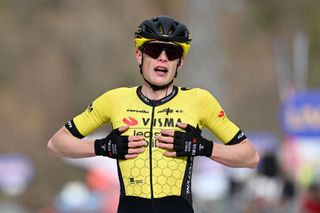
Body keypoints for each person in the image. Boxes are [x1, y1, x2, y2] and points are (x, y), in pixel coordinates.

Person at [47, 16, 260, 213]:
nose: (163, 59)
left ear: (181, 62)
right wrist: (102, 147)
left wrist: (202, 147)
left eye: (172, 53)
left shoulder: (199, 101)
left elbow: (250, 156)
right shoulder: (115, 99)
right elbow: (57, 143)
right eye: (155, 50)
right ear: (139, 55)